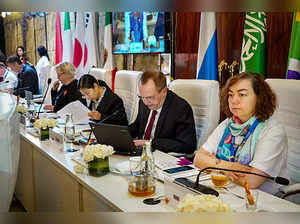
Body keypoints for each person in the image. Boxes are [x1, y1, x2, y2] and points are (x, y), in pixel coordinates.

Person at [193, 72, 289, 195]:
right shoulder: (228, 124)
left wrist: (214, 165)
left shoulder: (273, 130)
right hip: (226, 191)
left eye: (242, 94)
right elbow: (198, 159)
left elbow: (252, 181)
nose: (234, 100)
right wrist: (227, 166)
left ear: (259, 97)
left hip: (260, 199)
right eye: (230, 95)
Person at [128, 71, 196, 154]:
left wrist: (150, 143)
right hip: (141, 153)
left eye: (150, 97)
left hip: (162, 156)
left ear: (164, 92)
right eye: (142, 97)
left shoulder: (181, 109)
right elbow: (138, 125)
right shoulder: (143, 102)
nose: (145, 102)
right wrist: (120, 134)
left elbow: (187, 146)